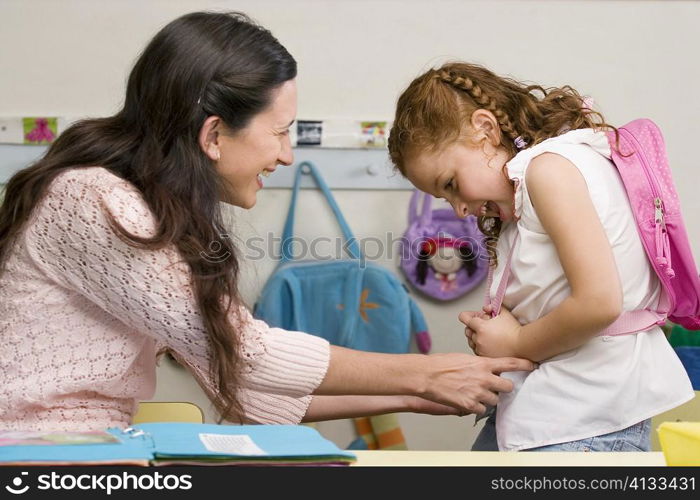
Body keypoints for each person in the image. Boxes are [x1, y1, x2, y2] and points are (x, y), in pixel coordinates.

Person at [0, 12, 534, 433]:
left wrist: (419, 397)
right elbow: (250, 355)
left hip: (89, 446)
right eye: (279, 132)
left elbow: (241, 391)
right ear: (213, 136)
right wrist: (426, 372)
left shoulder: (152, 209)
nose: (285, 155)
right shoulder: (91, 200)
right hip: (36, 450)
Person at [387, 62, 695, 452]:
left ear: (485, 129)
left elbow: (599, 303)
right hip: (566, 414)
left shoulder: (548, 172)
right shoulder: (541, 179)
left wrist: (515, 342)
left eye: (451, 184)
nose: (459, 210)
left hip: (585, 423)